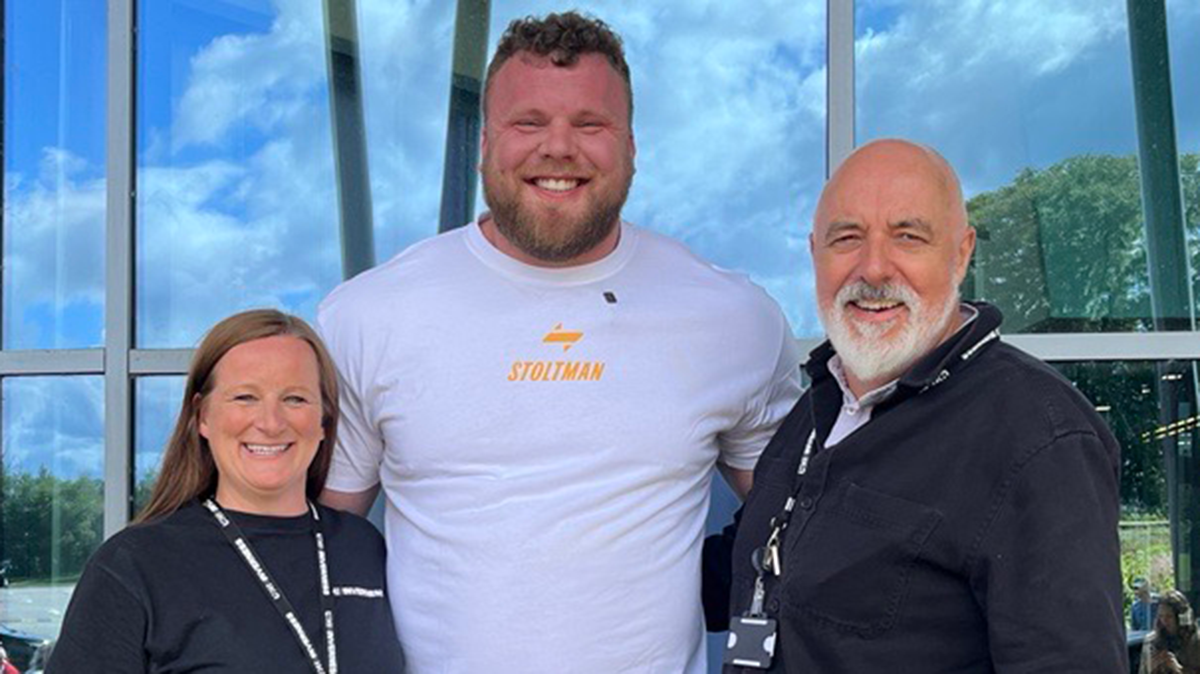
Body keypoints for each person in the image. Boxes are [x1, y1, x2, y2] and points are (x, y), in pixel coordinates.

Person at [317, 10, 802, 674]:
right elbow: (310, 547)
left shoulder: (734, 318)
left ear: (631, 145)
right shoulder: (369, 315)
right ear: (485, 142)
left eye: (590, 124)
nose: (559, 148)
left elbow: (800, 526)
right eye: (529, 123)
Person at [725, 139, 1125, 672]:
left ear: (961, 253)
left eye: (907, 236)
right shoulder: (816, 407)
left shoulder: (1037, 436)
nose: (873, 269)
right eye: (847, 238)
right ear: (813, 252)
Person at [47, 310, 404, 673]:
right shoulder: (135, 565)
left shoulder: (363, 548)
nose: (270, 422)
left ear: (324, 419)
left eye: (295, 399)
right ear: (202, 416)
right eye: (245, 397)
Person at [1140, 590, 1200, 674]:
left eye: (1169, 616)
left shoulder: (1195, 641)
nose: (1164, 621)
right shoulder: (1151, 641)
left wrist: (1179, 668)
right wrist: (1152, 668)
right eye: (1161, 616)